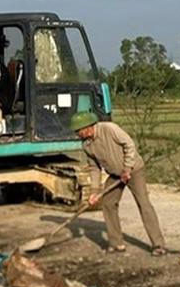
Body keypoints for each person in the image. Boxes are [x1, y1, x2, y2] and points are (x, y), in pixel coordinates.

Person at [70, 110, 167, 256]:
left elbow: (129, 145)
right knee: (108, 203)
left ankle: (158, 245)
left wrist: (127, 169)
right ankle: (116, 243)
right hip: (115, 175)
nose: (77, 134)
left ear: (87, 127)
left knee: (143, 203)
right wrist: (94, 192)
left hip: (134, 170)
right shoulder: (87, 145)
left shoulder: (109, 129)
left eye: (78, 131)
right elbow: (94, 168)